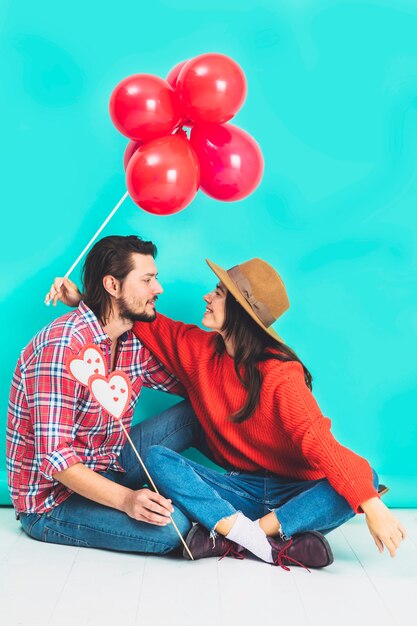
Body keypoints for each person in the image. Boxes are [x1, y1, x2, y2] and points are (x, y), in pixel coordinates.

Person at [49, 257, 406, 570]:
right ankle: (269, 542)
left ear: (240, 310)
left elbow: (319, 441)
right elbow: (144, 320)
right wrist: (83, 299)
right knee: (155, 459)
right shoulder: (200, 350)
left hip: (294, 498)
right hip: (238, 489)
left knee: (366, 479)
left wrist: (371, 505)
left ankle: (238, 536)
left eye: (218, 292)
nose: (207, 296)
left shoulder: (281, 375)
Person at [7, 235, 209, 555]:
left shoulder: (132, 343)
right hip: (53, 502)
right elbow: (56, 460)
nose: (159, 289)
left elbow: (199, 388)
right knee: (176, 530)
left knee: (200, 410)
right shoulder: (62, 348)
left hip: (109, 464)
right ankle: (226, 530)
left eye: (155, 278)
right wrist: (127, 500)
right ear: (113, 286)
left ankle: (252, 497)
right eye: (147, 280)